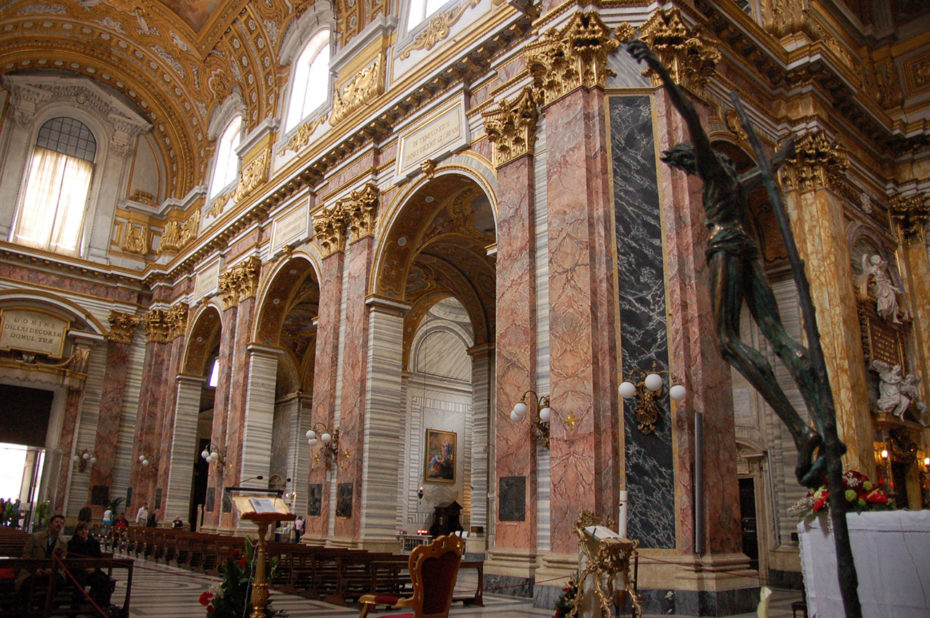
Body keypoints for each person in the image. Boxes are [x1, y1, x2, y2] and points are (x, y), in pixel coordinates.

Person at [628, 39, 825, 487]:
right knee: (777, 333)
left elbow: (692, 118)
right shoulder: (734, 177)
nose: (684, 170)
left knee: (727, 339)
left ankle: (800, 427)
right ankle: (810, 398)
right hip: (749, 244)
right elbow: (765, 171)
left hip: (726, 245)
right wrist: (782, 154)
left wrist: (658, 67)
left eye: (682, 165)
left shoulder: (712, 168)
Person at [15, 514, 67, 604]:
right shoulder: (36, 537)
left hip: (51, 571)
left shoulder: (62, 542)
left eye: (62, 523)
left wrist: (53, 570)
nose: (59, 525)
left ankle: (43, 603)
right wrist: (34, 569)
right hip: (32, 570)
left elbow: (62, 560)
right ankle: (24, 606)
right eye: (57, 522)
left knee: (60, 581)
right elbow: (26, 555)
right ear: (50, 524)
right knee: (27, 584)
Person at [67, 521, 113, 608]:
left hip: (92, 570)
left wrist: (94, 568)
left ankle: (103, 605)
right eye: (81, 530)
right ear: (77, 531)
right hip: (77, 571)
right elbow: (71, 559)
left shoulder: (94, 543)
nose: (84, 532)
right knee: (80, 579)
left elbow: (98, 558)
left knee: (103, 579)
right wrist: (83, 568)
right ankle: (77, 605)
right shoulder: (72, 543)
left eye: (86, 529)